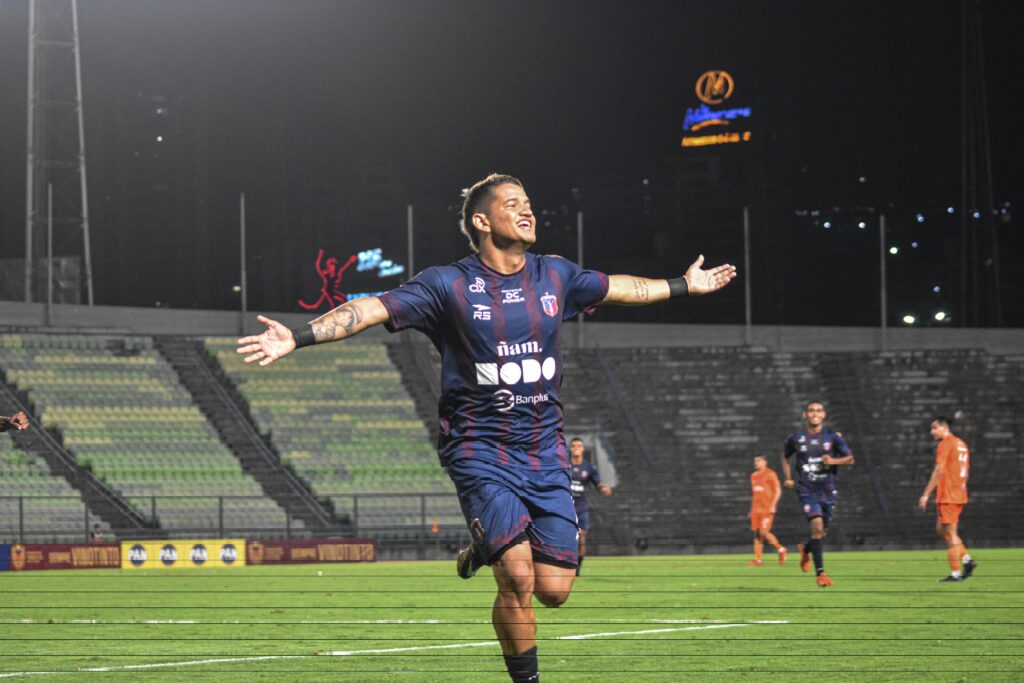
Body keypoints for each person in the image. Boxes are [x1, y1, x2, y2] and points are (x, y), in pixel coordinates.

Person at [237, 173, 736, 682]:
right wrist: (297, 337)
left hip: (544, 451)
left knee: (554, 591)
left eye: (529, 202)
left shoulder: (555, 275)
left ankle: (483, 545)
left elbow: (621, 288)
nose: (528, 210)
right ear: (481, 221)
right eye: (513, 204)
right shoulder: (446, 285)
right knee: (516, 578)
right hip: (478, 450)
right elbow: (369, 308)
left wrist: (684, 285)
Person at [780, 401, 854, 588]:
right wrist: (788, 478)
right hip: (807, 489)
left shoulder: (832, 437)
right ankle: (821, 573)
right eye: (811, 411)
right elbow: (785, 456)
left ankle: (806, 549)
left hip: (828, 490)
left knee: (821, 533)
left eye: (818, 411)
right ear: (805, 415)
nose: (815, 414)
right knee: (817, 527)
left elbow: (850, 458)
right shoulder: (796, 438)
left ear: (824, 415)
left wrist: (833, 461)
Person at [919, 416, 976, 582]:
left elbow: (939, 470)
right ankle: (967, 561)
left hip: (949, 495)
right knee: (941, 530)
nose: (932, 431)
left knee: (951, 535)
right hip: (958, 493)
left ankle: (956, 574)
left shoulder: (946, 444)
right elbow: (964, 470)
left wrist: (926, 494)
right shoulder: (961, 443)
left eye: (934, 428)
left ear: (944, 427)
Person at [568, 437, 612, 576]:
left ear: (583, 448)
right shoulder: (564, 466)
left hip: (581, 508)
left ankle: (577, 570)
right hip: (566, 508)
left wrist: (603, 488)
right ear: (570, 448)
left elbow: (597, 483)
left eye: (579, 445)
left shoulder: (589, 468)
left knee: (581, 539)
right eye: (573, 445)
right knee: (566, 538)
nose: (576, 448)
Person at [748, 454, 786, 566]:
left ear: (765, 462)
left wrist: (773, 505)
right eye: (755, 461)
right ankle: (758, 560)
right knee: (757, 534)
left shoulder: (770, 474)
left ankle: (781, 549)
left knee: (763, 532)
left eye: (758, 460)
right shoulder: (753, 476)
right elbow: (755, 494)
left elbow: (778, 490)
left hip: (767, 509)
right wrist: (751, 509)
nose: (756, 463)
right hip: (756, 510)